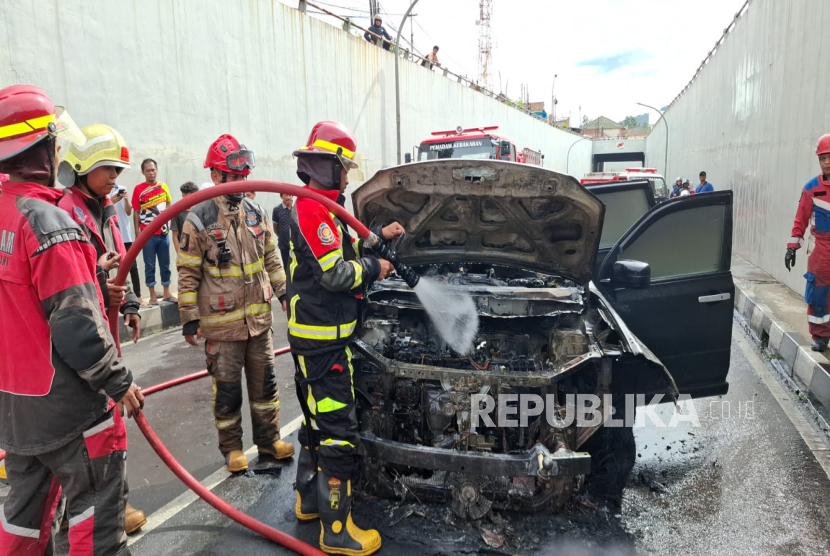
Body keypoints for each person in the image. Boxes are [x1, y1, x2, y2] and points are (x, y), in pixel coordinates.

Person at [0, 84, 144, 555]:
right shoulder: (46, 222)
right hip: (69, 408)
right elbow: (75, 326)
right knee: (95, 521)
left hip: (15, 408)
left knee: (22, 525)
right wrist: (118, 382)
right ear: (45, 148)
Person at [288, 121, 403, 556]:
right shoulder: (313, 210)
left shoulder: (323, 205)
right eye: (346, 167)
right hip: (322, 342)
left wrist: (379, 241)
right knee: (338, 430)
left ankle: (308, 501)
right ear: (326, 165)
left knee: (316, 418)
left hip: (318, 338)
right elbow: (336, 274)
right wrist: (378, 269)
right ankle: (336, 531)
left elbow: (345, 252)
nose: (350, 176)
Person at [177, 134, 293, 473]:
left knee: (266, 387)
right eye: (235, 176)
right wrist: (189, 318)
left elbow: (272, 256)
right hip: (222, 326)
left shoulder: (255, 211)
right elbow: (187, 271)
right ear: (216, 177)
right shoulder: (198, 218)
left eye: (245, 176)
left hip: (259, 324)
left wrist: (284, 292)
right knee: (227, 393)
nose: (243, 183)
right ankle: (232, 450)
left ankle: (269, 442)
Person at [57, 123, 148, 534]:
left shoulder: (105, 207)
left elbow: (118, 258)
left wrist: (127, 302)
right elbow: (66, 281)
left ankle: (116, 503)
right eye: (107, 167)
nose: (114, 176)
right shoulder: (63, 211)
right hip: (82, 336)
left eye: (117, 169)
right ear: (81, 167)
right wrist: (99, 275)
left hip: (103, 327)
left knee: (112, 422)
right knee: (89, 429)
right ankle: (88, 513)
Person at [786, 134, 830, 351]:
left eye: (829, 156)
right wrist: (792, 247)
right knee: (819, 294)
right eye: (822, 158)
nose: (827, 162)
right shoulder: (811, 188)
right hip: (820, 249)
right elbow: (800, 219)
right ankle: (821, 337)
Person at [132, 158, 177, 305]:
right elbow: (136, 212)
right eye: (148, 170)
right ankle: (152, 296)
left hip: (163, 234)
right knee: (149, 266)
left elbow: (169, 203)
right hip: (147, 235)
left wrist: (166, 219)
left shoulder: (163, 186)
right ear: (143, 172)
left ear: (156, 170)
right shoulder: (139, 189)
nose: (151, 173)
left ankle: (166, 292)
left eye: (153, 170)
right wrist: (138, 233)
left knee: (165, 264)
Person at [110, 184, 144, 305]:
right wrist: (111, 200)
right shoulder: (104, 193)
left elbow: (129, 212)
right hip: (112, 236)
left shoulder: (121, 188)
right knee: (117, 268)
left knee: (133, 267)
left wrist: (125, 199)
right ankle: (122, 299)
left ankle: (138, 296)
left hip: (126, 236)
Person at [172, 181, 199, 254]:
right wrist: (179, 253)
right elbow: (175, 235)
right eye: (188, 196)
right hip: (184, 250)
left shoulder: (199, 210)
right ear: (183, 195)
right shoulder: (177, 211)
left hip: (198, 249)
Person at [272, 193, 294, 271]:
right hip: (284, 245)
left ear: (292, 196)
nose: (288, 197)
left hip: (295, 245)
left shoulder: (296, 209)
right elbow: (275, 228)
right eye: (286, 195)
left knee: (297, 267)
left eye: (289, 195)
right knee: (286, 267)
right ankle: (288, 282)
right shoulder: (277, 210)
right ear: (281, 197)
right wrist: (282, 236)